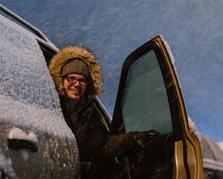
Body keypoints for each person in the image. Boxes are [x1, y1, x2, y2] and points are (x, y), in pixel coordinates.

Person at [49, 45, 157, 178]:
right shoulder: (49, 100)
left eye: (82, 80)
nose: (77, 84)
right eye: (71, 78)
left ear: (87, 84)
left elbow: (104, 146)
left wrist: (133, 138)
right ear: (62, 79)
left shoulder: (89, 112)